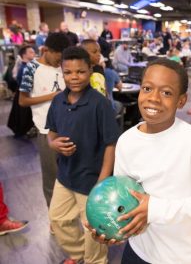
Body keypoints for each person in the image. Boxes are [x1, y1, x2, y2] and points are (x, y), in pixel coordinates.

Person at [91, 58, 191, 264]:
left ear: (181, 101)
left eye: (166, 93)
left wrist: (155, 209)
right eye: (147, 88)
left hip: (179, 257)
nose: (154, 98)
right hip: (137, 250)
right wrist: (112, 228)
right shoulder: (126, 141)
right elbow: (123, 195)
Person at [46, 46, 120, 264]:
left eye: (80, 71)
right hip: (66, 175)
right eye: (68, 72)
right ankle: (80, 255)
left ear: (90, 70)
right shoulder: (58, 101)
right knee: (58, 218)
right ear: (62, 73)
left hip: (91, 180)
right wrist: (53, 144)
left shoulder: (100, 104)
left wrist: (102, 181)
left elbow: (110, 144)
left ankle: (95, 260)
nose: (74, 77)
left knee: (93, 229)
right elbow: (51, 133)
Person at [19, 33, 70, 208]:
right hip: (46, 131)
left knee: (70, 173)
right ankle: (54, 218)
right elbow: (23, 100)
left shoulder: (63, 66)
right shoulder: (32, 68)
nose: (59, 62)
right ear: (46, 50)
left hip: (70, 127)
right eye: (58, 58)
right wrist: (52, 96)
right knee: (51, 178)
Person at [7, 45, 36, 137]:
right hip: (24, 94)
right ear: (24, 55)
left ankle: (25, 130)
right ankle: (25, 131)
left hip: (24, 93)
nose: (34, 53)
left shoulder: (28, 66)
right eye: (31, 52)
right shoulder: (24, 68)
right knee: (23, 115)